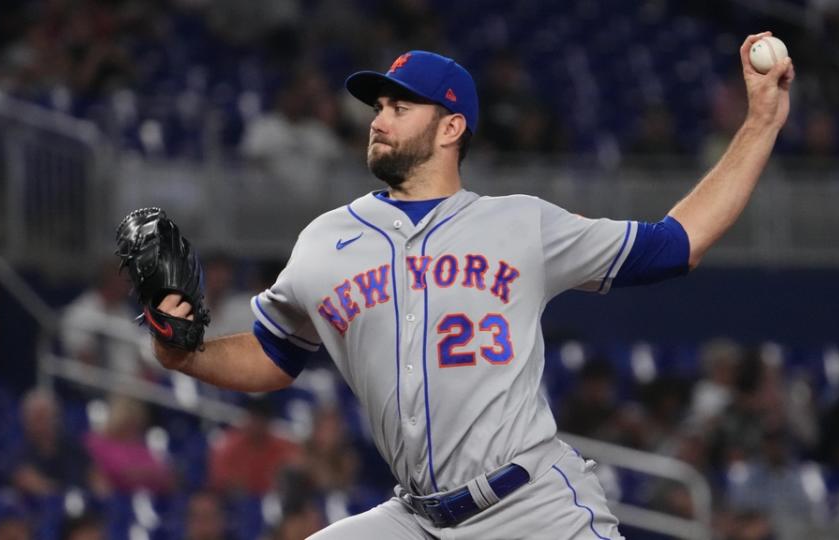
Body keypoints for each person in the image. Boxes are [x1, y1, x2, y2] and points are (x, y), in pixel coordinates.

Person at [148, 34, 795, 539]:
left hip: (531, 507)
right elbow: (272, 355)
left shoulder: (519, 224)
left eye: (401, 107)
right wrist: (187, 352)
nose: (380, 119)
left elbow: (675, 245)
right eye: (379, 106)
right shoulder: (325, 240)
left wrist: (760, 122)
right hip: (416, 520)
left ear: (450, 127)